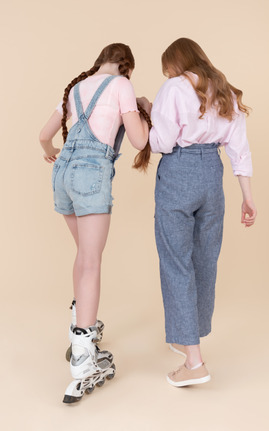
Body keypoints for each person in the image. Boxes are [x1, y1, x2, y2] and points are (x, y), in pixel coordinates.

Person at [39, 43, 150, 403]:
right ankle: (84, 359)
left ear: (99, 60)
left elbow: (44, 135)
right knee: (91, 262)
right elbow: (139, 140)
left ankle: (80, 328)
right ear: (125, 66)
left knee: (83, 257)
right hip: (91, 176)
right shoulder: (122, 86)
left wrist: (50, 153)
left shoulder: (76, 87)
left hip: (63, 173)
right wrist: (144, 109)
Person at [149, 38, 257, 387]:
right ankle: (187, 335)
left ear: (176, 64)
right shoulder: (222, 88)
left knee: (176, 261)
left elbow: (162, 143)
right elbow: (239, 148)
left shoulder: (174, 88)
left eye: (168, 69)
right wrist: (247, 197)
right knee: (204, 259)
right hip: (213, 174)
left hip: (180, 172)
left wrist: (149, 115)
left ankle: (194, 363)